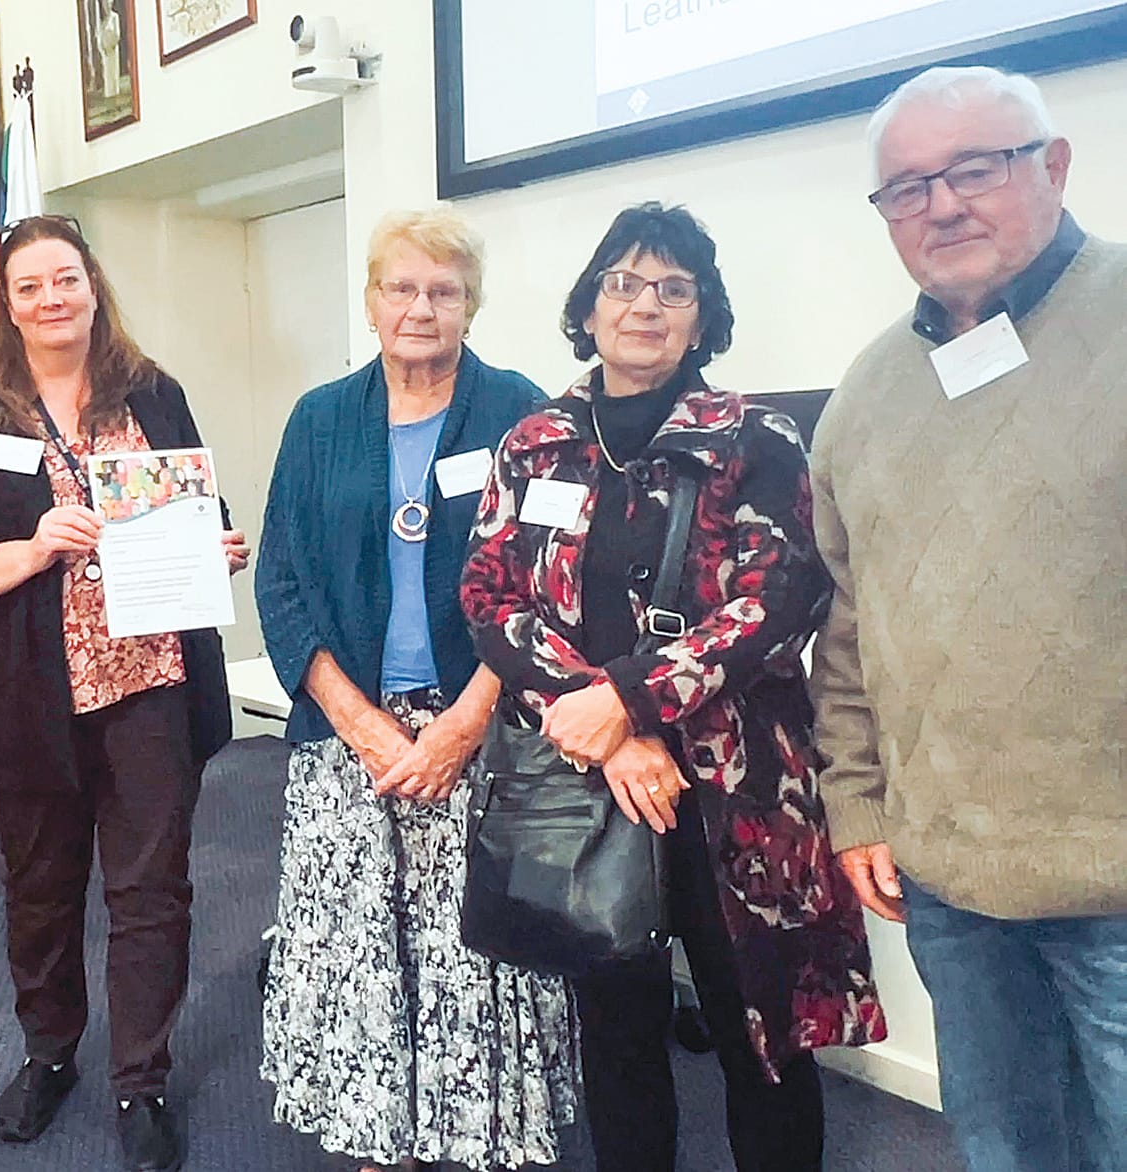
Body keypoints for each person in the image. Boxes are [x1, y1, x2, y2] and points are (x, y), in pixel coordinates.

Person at [461, 202, 886, 1172]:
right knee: (615, 1033)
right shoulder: (535, 443)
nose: (645, 304)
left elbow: (781, 592)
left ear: (703, 315)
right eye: (624, 281)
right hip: (597, 782)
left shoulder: (756, 437)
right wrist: (605, 725)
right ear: (589, 303)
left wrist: (631, 698)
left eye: (673, 288)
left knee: (764, 1043)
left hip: (742, 794)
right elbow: (490, 593)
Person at [812, 66, 1127, 1172]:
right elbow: (849, 621)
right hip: (951, 878)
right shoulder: (866, 394)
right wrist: (855, 802)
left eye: (974, 169)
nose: (941, 205)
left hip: (1119, 883)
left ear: (1054, 164)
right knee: (1004, 1146)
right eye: (906, 188)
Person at [0, 214, 248, 1172]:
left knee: (152, 892)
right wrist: (25, 551)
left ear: (93, 286)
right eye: (30, 287)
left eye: (66, 280)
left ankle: (142, 1078)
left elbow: (199, 505)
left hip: (149, 686)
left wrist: (221, 545)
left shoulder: (153, 392)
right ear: (6, 307)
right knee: (42, 890)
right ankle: (50, 1053)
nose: (51, 299)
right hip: (24, 698)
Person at [256, 207, 580, 1172]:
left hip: (479, 730)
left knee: (476, 954)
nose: (421, 307)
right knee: (360, 944)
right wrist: (363, 728)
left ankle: (481, 1135)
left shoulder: (520, 410)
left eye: (444, 290)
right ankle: (378, 1136)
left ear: (471, 305)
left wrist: (465, 723)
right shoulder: (319, 420)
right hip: (347, 738)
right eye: (401, 287)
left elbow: (546, 576)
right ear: (370, 301)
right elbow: (280, 580)